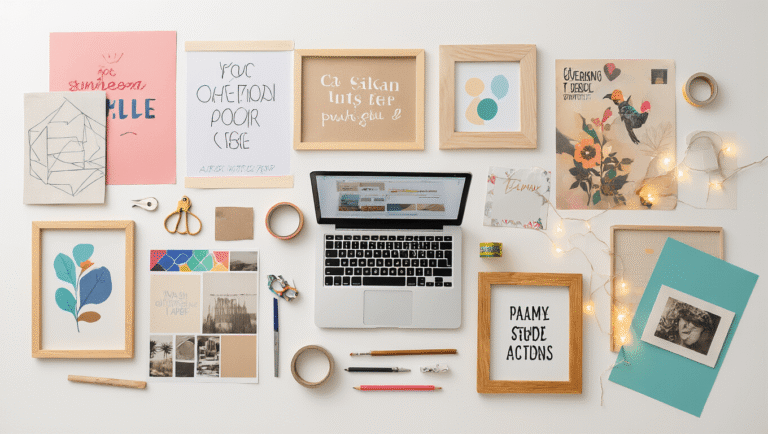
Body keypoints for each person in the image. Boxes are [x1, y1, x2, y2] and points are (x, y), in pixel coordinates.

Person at [654, 299, 719, 355]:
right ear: (677, 320)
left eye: (695, 325)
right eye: (686, 319)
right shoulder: (660, 337)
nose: (687, 326)